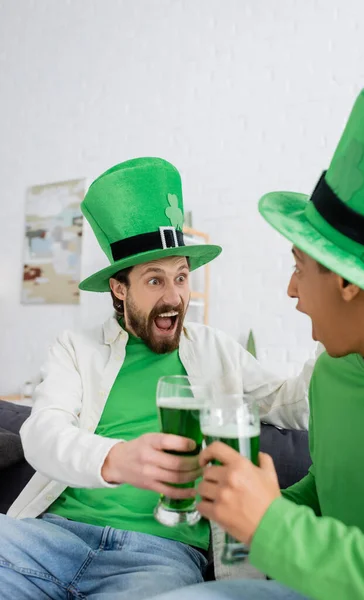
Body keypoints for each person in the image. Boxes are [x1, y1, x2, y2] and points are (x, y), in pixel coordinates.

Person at [0, 157, 314, 599]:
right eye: (154, 280)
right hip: (48, 539)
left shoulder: (214, 350)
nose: (174, 297)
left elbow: (293, 403)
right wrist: (117, 459)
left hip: (156, 556)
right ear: (119, 288)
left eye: (181, 277)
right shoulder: (76, 347)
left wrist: (344, 333)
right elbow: (41, 433)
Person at [153, 84, 364, 600]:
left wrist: (269, 525)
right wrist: (248, 506)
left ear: (346, 280)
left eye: (299, 267)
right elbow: (331, 490)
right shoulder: (331, 376)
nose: (291, 290)